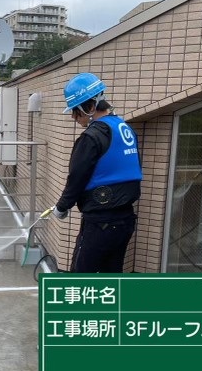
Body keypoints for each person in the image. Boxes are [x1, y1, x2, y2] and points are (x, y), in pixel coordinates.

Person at [52, 73, 143, 273]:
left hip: (100, 222)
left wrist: (61, 207)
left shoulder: (92, 137)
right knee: (111, 274)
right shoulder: (124, 128)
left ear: (89, 107)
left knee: (83, 277)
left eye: (75, 111)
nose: (74, 117)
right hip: (125, 220)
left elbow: (77, 178)